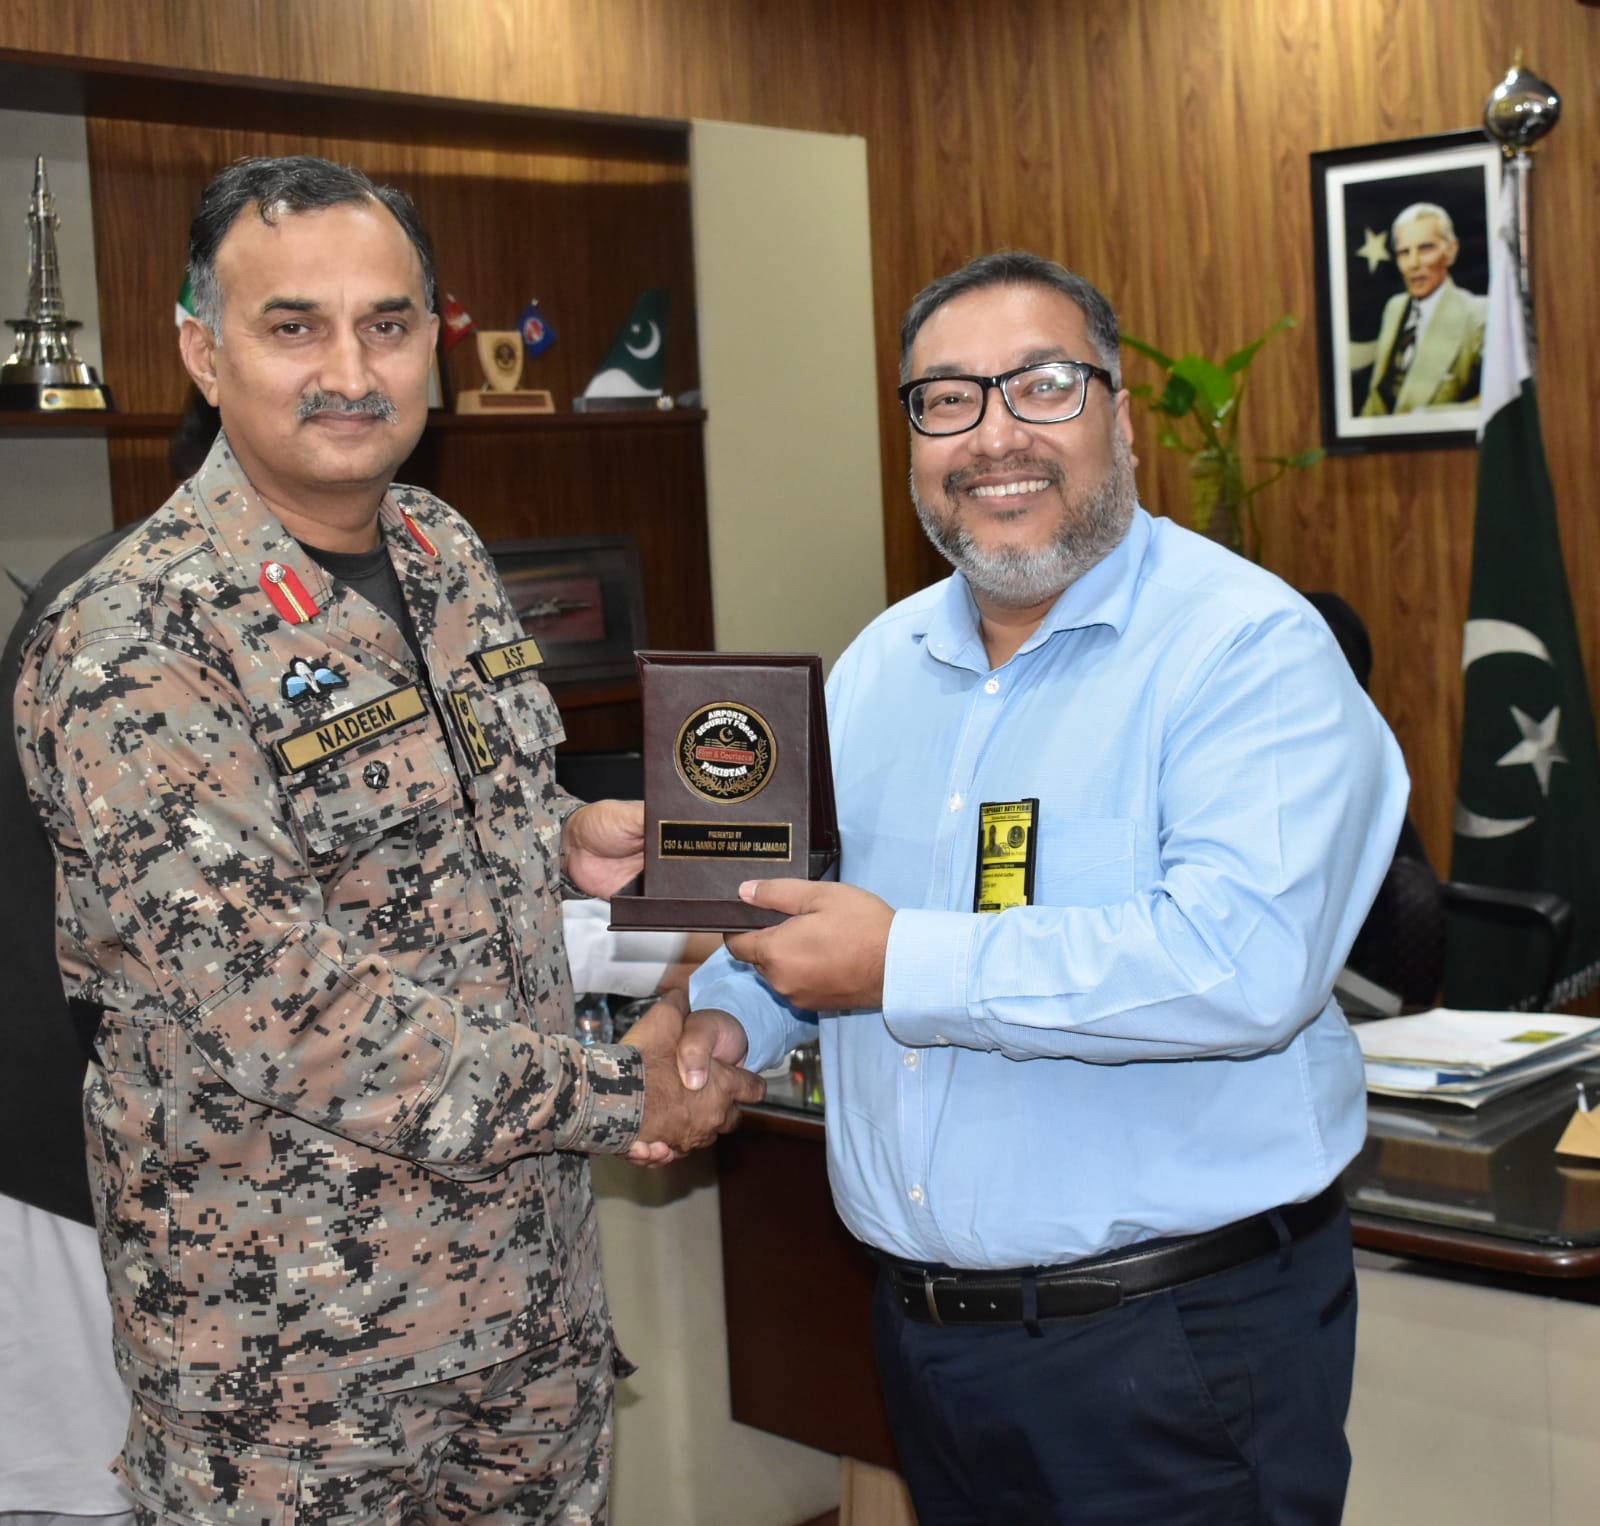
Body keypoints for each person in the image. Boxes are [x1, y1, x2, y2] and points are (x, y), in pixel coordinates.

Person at [12, 155, 759, 1524]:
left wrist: (567, 836)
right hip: (296, 1377)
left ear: (434, 344)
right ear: (202, 349)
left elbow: (441, 829)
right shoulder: (134, 639)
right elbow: (283, 1009)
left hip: (523, 1313)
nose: (348, 368)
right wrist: (622, 1092)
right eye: (292, 325)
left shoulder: (437, 551)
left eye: (389, 323)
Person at [678, 251, 1409, 1523]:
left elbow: (1238, 962)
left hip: (1180, 1348)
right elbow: (811, 918)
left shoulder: (1247, 648)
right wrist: (728, 1020)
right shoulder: (872, 668)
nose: (994, 435)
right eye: (947, 399)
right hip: (930, 1346)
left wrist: (901, 962)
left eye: (1043, 386)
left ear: (1119, 416)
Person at [1359, 201, 1486, 416]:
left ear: (1451, 251)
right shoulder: (1394, 308)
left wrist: (1431, 419)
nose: (1413, 263)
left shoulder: (1477, 313)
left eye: (1425, 248)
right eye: (1404, 252)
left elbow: (1502, 399)